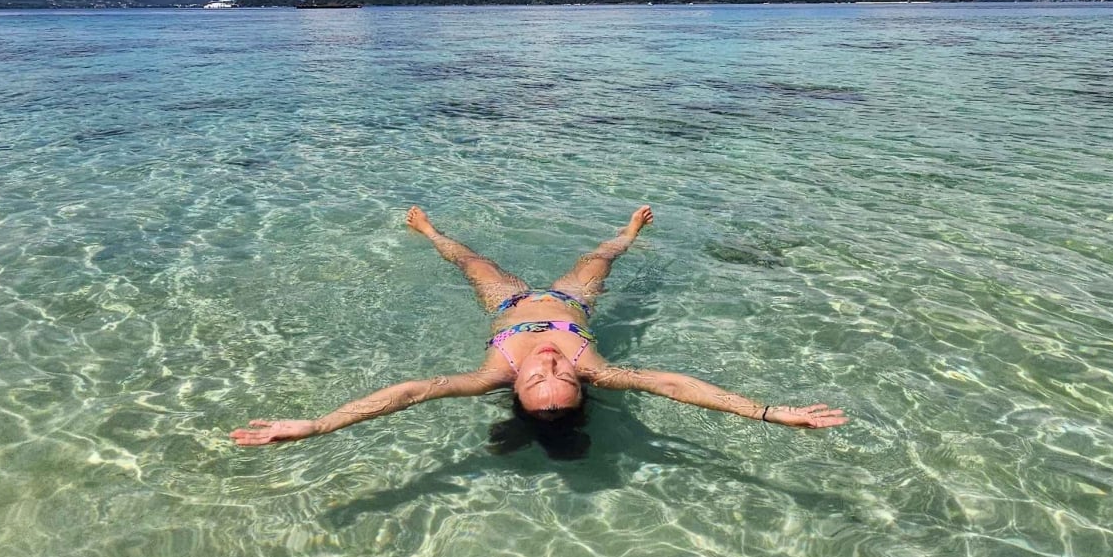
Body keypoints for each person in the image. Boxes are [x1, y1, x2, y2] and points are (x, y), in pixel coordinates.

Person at [231, 205, 847, 448]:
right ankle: (630, 232)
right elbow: (674, 385)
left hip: (508, 307)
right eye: (562, 376)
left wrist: (316, 424)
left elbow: (408, 395)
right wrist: (767, 413)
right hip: (571, 300)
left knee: (472, 262)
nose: (551, 363)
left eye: (540, 378)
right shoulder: (594, 365)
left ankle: (429, 232)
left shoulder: (491, 371)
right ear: (582, 387)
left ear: (515, 391)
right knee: (602, 257)